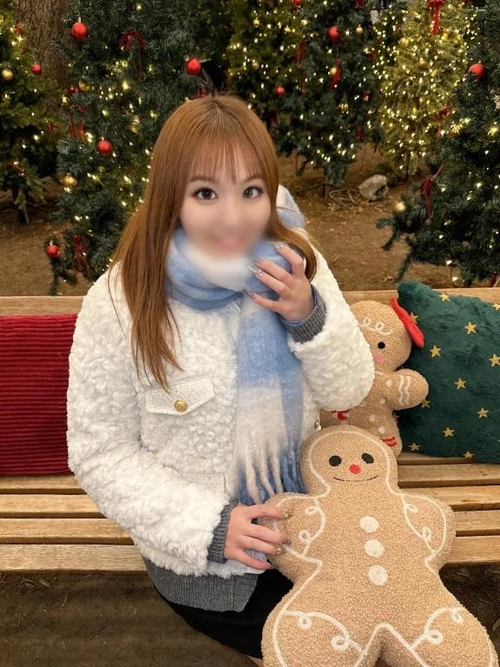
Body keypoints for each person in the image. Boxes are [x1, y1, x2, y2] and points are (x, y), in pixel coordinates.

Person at [67, 95, 375, 666]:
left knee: (379, 625)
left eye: (251, 191)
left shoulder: (295, 262)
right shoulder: (120, 301)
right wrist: (210, 528)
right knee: (326, 649)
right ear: (171, 196)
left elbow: (349, 391)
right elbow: (100, 453)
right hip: (209, 566)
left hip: (312, 527)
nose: (234, 218)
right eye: (206, 193)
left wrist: (307, 315)